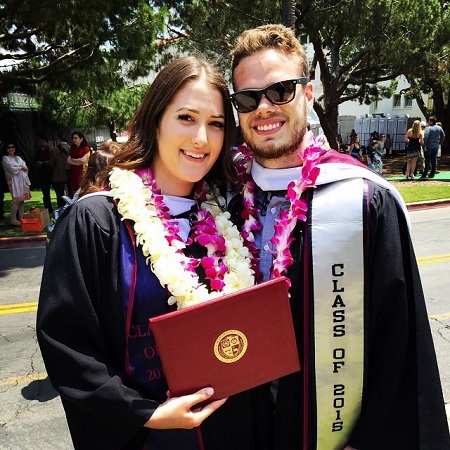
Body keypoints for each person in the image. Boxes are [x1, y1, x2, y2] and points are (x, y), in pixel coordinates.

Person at [201, 24, 450, 450]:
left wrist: (369, 439)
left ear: (309, 94)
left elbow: (398, 341)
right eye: (248, 98)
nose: (264, 107)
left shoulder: (363, 200)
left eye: (281, 91)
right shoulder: (217, 200)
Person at [37, 55, 245, 450]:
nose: (202, 138)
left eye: (216, 124)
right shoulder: (97, 221)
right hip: (147, 437)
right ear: (155, 120)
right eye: (186, 117)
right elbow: (67, 343)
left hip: (229, 430)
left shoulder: (226, 219)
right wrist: (143, 414)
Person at [1, 143, 31, 226]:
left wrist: (20, 167)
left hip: (22, 180)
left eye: (12, 147)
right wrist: (20, 167)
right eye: (9, 147)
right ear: (6, 149)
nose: (11, 149)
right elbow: (11, 169)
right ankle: (13, 219)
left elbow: (26, 168)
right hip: (14, 181)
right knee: (16, 200)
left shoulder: (18, 157)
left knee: (22, 200)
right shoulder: (5, 158)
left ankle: (21, 218)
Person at [67, 130, 91, 197]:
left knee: (82, 191)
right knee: (73, 193)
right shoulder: (72, 148)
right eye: (73, 138)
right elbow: (68, 160)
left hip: (82, 173)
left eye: (76, 138)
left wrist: (73, 159)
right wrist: (77, 162)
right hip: (73, 173)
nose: (74, 140)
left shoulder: (85, 148)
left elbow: (83, 160)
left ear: (81, 139)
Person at [35, 133, 55, 213]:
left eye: (39, 140)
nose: (37, 142)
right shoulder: (39, 150)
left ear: (43, 140)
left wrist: (43, 163)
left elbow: (52, 161)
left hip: (51, 173)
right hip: (43, 174)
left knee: (57, 191)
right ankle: (48, 209)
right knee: (45, 193)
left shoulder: (50, 149)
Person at [49, 134, 70, 207]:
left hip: (58, 175)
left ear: (59, 139)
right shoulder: (70, 149)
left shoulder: (54, 150)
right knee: (71, 194)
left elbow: (51, 163)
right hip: (69, 174)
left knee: (60, 194)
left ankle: (61, 210)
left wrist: (53, 171)